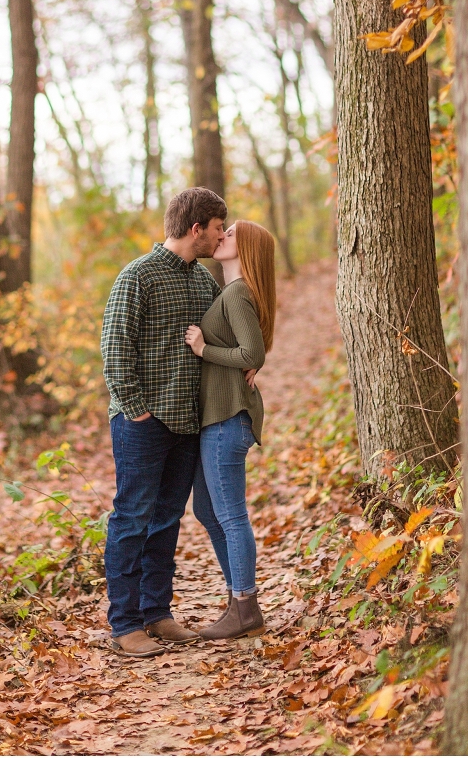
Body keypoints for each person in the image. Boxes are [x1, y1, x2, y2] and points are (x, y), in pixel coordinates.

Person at [101, 187, 227, 658]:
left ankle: (156, 612)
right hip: (142, 422)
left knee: (167, 519)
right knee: (132, 518)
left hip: (188, 423)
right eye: (217, 229)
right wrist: (136, 408)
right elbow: (115, 351)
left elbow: (220, 336)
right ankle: (125, 622)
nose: (220, 237)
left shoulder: (202, 281)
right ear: (196, 228)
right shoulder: (137, 276)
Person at [185, 220, 276, 640]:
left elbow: (251, 352)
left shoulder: (239, 292)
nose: (222, 236)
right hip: (219, 419)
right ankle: (238, 597)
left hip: (228, 419)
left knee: (230, 515)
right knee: (207, 510)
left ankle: (245, 605)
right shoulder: (230, 291)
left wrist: (204, 350)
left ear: (248, 249)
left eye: (232, 233)